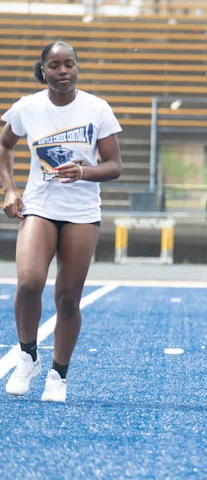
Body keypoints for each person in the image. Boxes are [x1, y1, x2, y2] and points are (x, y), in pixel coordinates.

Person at [2, 41, 123, 403]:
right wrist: (9, 189)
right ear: (43, 71)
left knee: (68, 298)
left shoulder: (96, 108)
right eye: (55, 65)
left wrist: (84, 171)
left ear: (77, 68)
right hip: (40, 205)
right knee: (28, 282)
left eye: (69, 64)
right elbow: (4, 145)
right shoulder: (27, 107)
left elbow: (115, 166)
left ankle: (59, 374)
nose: (63, 71)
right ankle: (28, 356)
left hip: (82, 212)